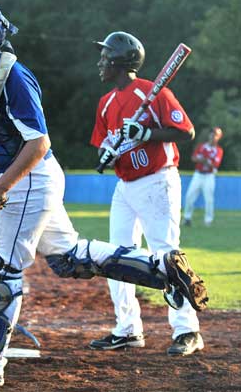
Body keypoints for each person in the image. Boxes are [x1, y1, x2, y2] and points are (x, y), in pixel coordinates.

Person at [0, 5, 207, 387]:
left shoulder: (14, 78)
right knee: (68, 258)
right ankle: (162, 268)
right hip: (20, 179)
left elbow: (38, 144)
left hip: (28, 178)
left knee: (2, 271)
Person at [90, 32, 205, 356]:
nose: (100, 62)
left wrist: (146, 132)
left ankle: (187, 329)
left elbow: (186, 131)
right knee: (116, 258)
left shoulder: (155, 92)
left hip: (157, 181)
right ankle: (127, 330)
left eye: (105, 56)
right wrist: (107, 153)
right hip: (124, 186)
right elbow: (104, 143)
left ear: (119, 61)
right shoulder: (106, 103)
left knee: (166, 253)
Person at [183, 127, 224, 227]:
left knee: (209, 199)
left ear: (219, 137)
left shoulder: (218, 150)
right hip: (198, 174)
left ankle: (208, 220)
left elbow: (215, 165)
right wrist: (207, 160)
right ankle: (187, 218)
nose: (213, 136)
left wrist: (204, 160)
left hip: (209, 176)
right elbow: (194, 158)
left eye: (215, 134)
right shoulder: (202, 146)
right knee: (189, 196)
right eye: (212, 133)